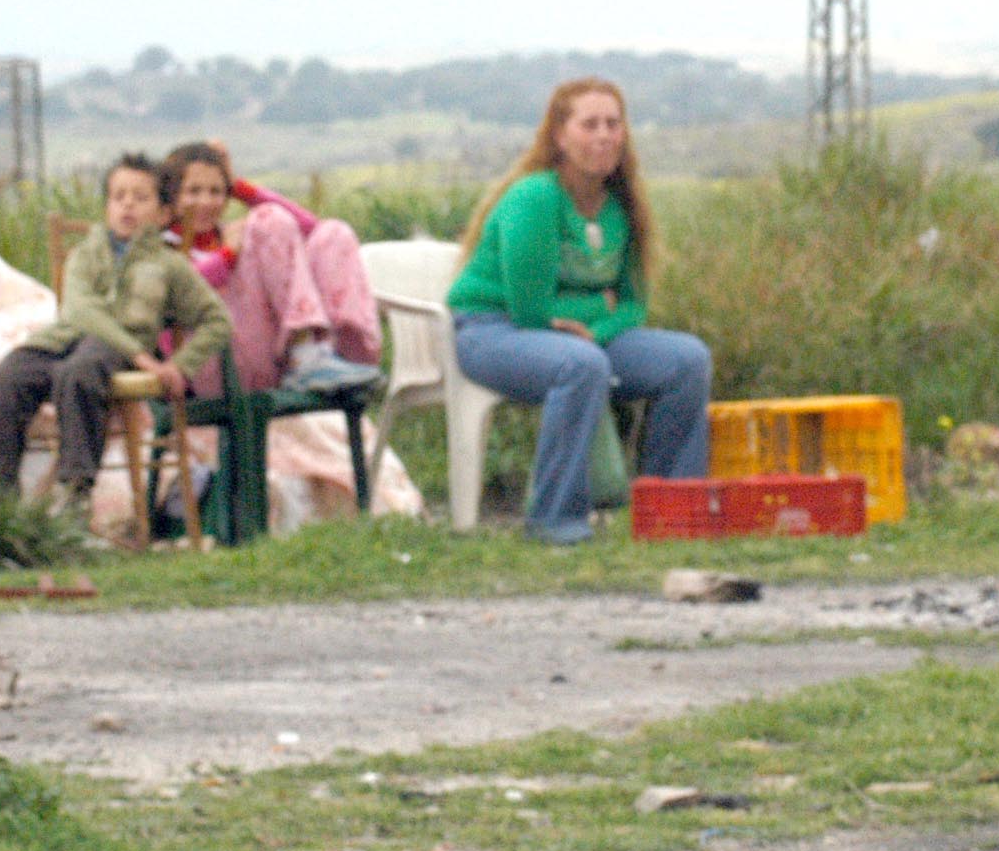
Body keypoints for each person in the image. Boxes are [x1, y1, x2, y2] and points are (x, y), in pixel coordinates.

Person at [445, 78, 711, 544]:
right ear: (559, 136)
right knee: (580, 364)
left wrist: (597, 326)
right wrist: (594, 307)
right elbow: (530, 311)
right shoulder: (536, 198)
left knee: (687, 360)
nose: (604, 135)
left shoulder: (622, 207)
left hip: (581, 338)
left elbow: (633, 305)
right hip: (491, 331)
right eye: (589, 124)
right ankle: (556, 523)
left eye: (613, 123)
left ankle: (670, 511)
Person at [0, 153, 232, 506]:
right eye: (118, 197)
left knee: (80, 372)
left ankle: (75, 495)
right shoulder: (86, 254)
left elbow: (217, 320)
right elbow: (80, 308)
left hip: (107, 353)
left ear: (163, 214)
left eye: (140, 198)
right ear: (107, 208)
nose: (127, 205)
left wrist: (180, 365)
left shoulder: (168, 265)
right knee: (10, 376)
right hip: (66, 339)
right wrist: (142, 357)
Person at [156, 140, 383, 395]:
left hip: (264, 352)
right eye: (193, 191)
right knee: (268, 220)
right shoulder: (159, 248)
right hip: (211, 364)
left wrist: (242, 189)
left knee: (333, 233)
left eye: (216, 191)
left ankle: (344, 355)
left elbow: (310, 227)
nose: (206, 201)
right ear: (171, 197)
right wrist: (226, 257)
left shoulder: (229, 235)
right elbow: (175, 292)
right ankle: (306, 357)